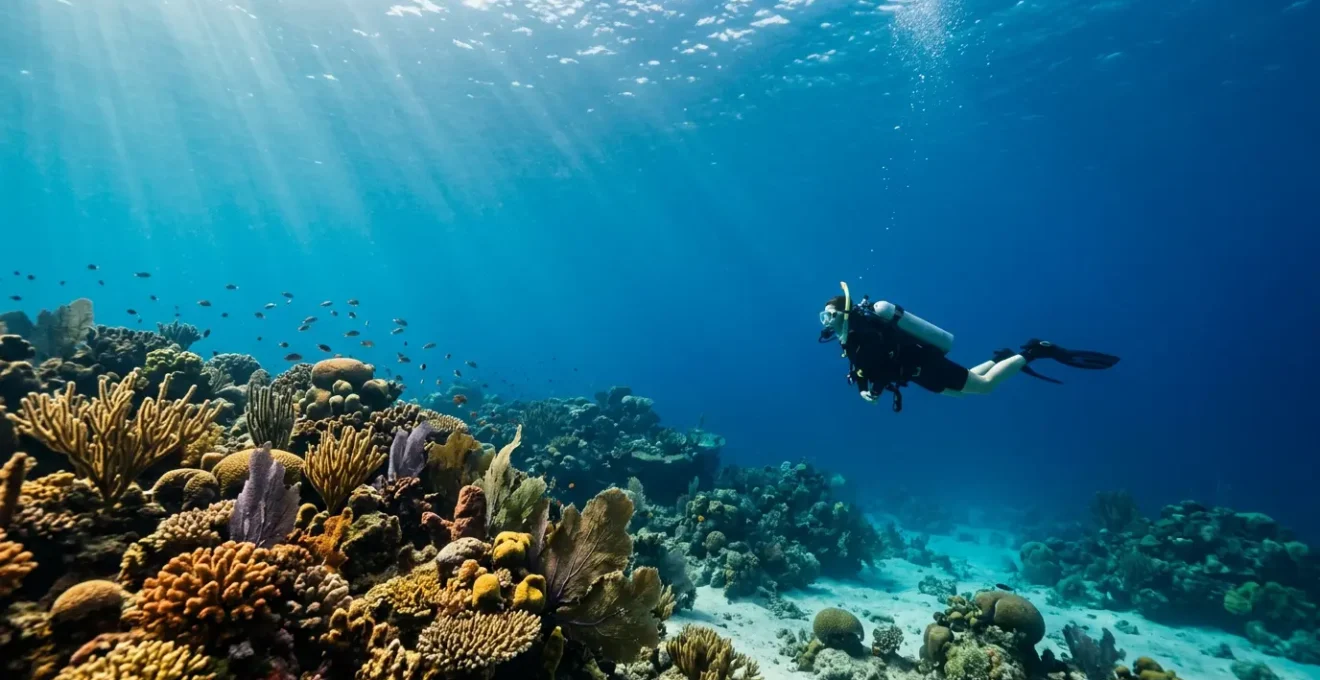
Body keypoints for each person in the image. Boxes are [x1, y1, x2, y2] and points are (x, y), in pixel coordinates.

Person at [818, 282, 1118, 411]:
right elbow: (862, 368)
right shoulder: (854, 335)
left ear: (843, 313)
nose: (825, 321)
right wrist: (863, 389)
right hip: (917, 372)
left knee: (984, 386)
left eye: (829, 315)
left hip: (925, 366)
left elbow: (875, 366)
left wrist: (876, 390)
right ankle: (1001, 357)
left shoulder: (863, 334)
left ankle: (1034, 351)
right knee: (963, 392)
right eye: (824, 316)